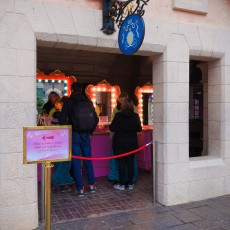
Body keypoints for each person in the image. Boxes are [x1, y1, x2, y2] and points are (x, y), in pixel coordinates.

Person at [60, 82, 99, 197]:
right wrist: (90, 132)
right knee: (88, 159)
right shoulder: (88, 101)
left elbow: (62, 120)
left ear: (71, 90)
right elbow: (96, 119)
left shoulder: (68, 102)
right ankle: (92, 185)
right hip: (86, 135)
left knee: (76, 161)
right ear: (81, 89)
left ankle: (80, 188)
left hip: (74, 134)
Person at [109, 99, 142, 190]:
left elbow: (112, 128)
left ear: (123, 106)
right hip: (131, 143)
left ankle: (122, 184)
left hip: (120, 143)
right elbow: (139, 129)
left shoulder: (118, 115)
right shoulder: (135, 116)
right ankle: (130, 183)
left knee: (121, 164)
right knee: (130, 163)